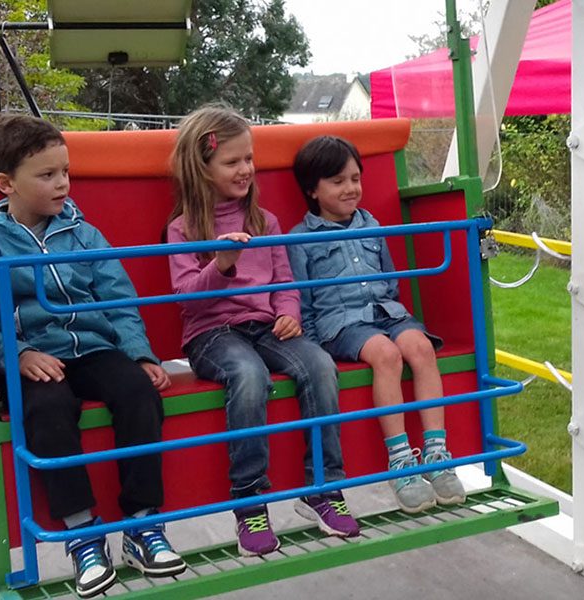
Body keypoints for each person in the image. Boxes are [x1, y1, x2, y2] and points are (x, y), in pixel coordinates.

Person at [0, 113, 186, 598]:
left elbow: (119, 299)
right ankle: (82, 534)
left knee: (138, 393)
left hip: (93, 346)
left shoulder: (84, 233)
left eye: (65, 172)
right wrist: (18, 354)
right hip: (38, 356)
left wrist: (139, 355)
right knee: (47, 410)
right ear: (7, 183)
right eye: (47, 175)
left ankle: (142, 522)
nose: (63, 184)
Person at [166, 105, 360, 557]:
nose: (245, 169)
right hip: (212, 334)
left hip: (266, 326)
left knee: (319, 364)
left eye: (248, 159)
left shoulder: (264, 222)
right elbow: (186, 297)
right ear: (203, 167)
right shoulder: (184, 229)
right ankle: (251, 502)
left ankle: (323, 488)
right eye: (232, 162)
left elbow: (284, 281)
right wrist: (222, 265)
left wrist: (288, 311)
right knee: (249, 376)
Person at [288, 135, 466, 514]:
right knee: (387, 355)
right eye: (337, 182)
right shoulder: (300, 240)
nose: (351, 189)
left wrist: (397, 312)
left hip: (386, 312)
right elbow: (301, 298)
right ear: (312, 189)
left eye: (355, 178)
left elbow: (389, 278)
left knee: (419, 347)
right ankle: (400, 461)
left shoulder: (372, 224)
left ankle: (437, 453)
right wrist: (313, 345)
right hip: (343, 324)